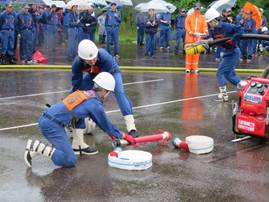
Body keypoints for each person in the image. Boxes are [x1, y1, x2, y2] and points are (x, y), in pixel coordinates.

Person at [24, 72, 136, 168]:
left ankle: (36, 150)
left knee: (66, 152)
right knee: (69, 160)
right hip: (52, 125)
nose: (107, 96)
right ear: (104, 90)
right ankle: (37, 147)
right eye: (108, 93)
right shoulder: (94, 104)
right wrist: (124, 136)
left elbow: (78, 115)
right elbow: (106, 125)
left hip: (49, 119)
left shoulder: (84, 94)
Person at [71, 39, 139, 137]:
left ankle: (131, 126)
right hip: (93, 73)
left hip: (111, 72)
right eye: (89, 60)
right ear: (82, 58)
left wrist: (96, 106)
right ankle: (72, 121)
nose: (92, 61)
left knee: (119, 93)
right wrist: (74, 101)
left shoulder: (104, 56)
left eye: (94, 58)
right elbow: (76, 84)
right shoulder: (77, 63)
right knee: (77, 91)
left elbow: (103, 85)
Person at [205, 9, 247, 102]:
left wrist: (233, 39)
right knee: (229, 75)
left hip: (234, 52)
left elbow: (240, 29)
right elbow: (212, 39)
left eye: (209, 22)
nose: (208, 24)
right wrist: (205, 40)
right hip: (227, 52)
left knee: (220, 72)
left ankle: (224, 95)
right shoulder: (213, 30)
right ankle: (245, 86)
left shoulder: (226, 26)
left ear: (214, 20)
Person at [185, 2, 208, 73]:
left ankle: (195, 67)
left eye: (198, 8)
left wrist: (205, 32)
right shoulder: (189, 16)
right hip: (190, 37)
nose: (197, 10)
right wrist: (190, 32)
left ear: (200, 9)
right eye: (196, 8)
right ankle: (188, 68)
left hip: (198, 38)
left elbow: (205, 26)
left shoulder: (202, 17)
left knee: (196, 53)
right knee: (189, 53)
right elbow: (187, 25)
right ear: (194, 8)